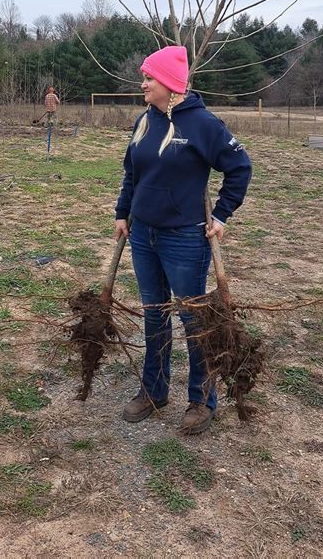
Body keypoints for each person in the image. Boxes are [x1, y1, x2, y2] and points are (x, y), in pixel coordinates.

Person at [114, 45, 252, 435]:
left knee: (193, 319)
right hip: (143, 234)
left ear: (171, 85)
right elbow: (132, 173)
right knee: (154, 314)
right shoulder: (146, 119)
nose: (142, 84)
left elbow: (240, 167)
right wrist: (123, 213)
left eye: (148, 78)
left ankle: (201, 399)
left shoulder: (203, 124)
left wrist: (222, 214)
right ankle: (154, 389)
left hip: (184, 239)